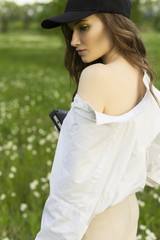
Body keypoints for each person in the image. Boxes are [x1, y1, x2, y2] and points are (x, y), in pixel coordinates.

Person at [35, 0, 160, 239]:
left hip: (93, 221)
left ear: (114, 22)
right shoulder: (141, 74)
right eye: (71, 30)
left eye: (83, 27)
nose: (73, 41)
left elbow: (73, 183)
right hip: (126, 211)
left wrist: (52, 234)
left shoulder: (96, 76)